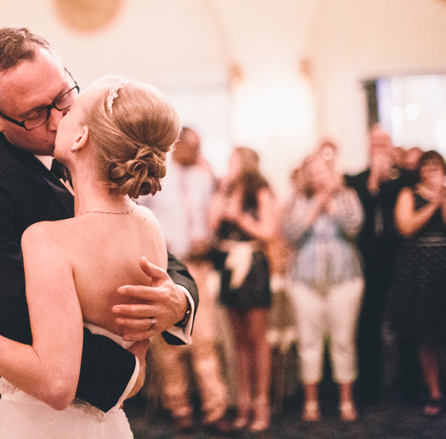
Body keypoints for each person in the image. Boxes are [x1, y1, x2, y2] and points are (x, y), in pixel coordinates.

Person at [0, 28, 197, 439]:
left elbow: (160, 262)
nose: (58, 120)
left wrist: (178, 302)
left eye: (63, 98)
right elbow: (3, 305)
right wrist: (127, 370)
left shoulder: (91, 164)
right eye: (35, 113)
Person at [137, 128, 229, 432]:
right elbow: (137, 215)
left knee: (205, 339)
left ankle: (215, 410)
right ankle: (179, 409)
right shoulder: (156, 177)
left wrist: (208, 238)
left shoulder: (204, 178)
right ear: (177, 147)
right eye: (193, 147)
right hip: (166, 266)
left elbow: (212, 215)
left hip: (199, 265)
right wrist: (159, 245)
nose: (198, 152)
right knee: (170, 341)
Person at [389, 150, 446, 418]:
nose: (432, 173)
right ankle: (435, 392)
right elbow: (405, 227)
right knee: (425, 330)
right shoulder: (409, 195)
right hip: (419, 266)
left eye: (437, 168)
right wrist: (430, 206)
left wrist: (443, 201)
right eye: (427, 169)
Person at [282, 154, 364, 422]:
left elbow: (355, 227)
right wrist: (315, 208)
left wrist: (332, 205)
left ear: (332, 172)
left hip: (345, 281)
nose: (318, 177)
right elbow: (289, 232)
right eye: (313, 172)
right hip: (305, 283)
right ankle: (311, 402)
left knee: (343, 341)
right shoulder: (296, 199)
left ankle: (346, 401)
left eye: (323, 171)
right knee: (309, 342)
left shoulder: (347, 196)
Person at [344, 125, 418, 404]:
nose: (379, 147)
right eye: (374, 142)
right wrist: (374, 180)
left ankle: (410, 384)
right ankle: (371, 386)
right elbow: (358, 213)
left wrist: (387, 179)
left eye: (384, 142)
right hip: (369, 261)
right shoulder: (357, 179)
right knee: (368, 325)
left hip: (401, 259)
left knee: (405, 322)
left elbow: (402, 209)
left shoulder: (405, 179)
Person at [207, 146, 277, 432]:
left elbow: (269, 231)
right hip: (228, 263)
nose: (228, 166)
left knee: (257, 339)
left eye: (232, 161)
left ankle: (262, 404)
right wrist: (222, 192)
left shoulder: (260, 191)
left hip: (253, 263)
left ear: (245, 164)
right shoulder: (225, 191)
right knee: (238, 341)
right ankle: (243, 402)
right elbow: (211, 225)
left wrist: (241, 219)